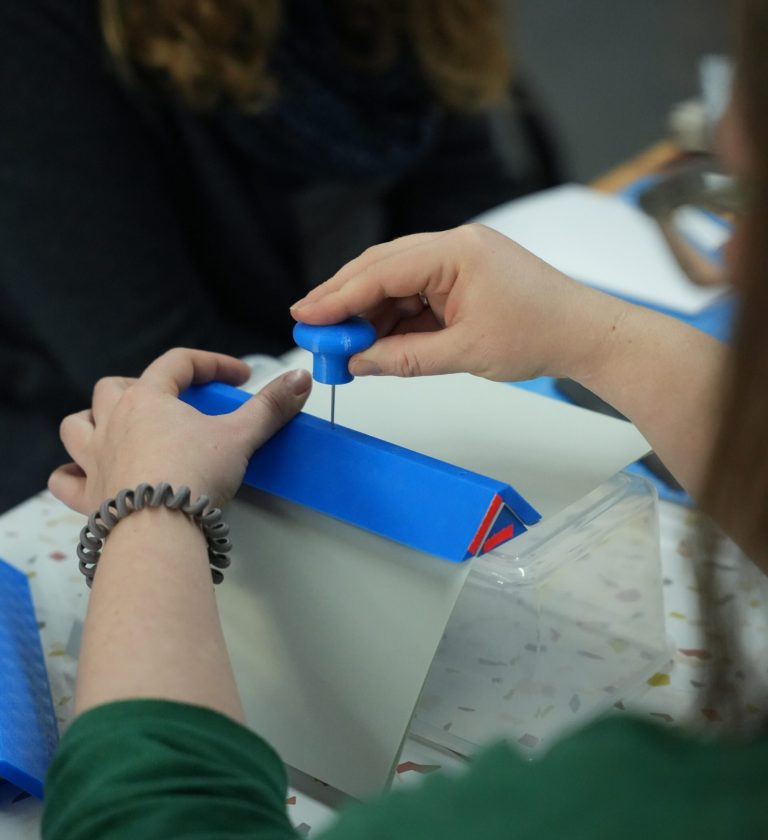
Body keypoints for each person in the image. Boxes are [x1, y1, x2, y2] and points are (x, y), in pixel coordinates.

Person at [41, 1, 768, 837]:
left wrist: (150, 509)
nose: (730, 256)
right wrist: (589, 335)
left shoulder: (606, 807)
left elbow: (148, 821)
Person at [0, 0, 558, 513]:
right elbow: (152, 355)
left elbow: (468, 212)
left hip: (341, 389)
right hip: (107, 436)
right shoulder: (39, 32)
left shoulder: (403, 18)